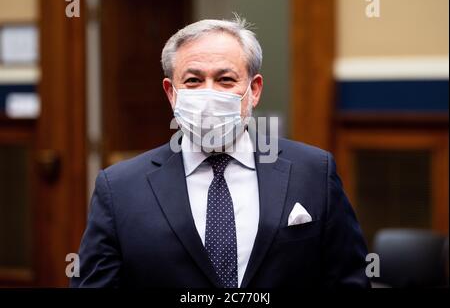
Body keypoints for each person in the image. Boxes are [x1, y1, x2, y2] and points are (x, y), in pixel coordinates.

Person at [71, 17, 370, 288]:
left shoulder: (313, 171)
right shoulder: (120, 188)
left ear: (254, 89)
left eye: (225, 79)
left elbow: (348, 281)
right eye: (193, 81)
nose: (208, 94)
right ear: (170, 93)